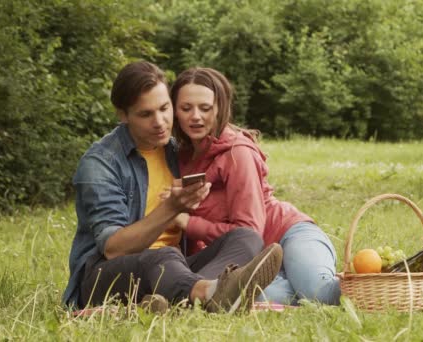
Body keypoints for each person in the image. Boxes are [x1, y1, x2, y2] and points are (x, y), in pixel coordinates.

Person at [62, 61, 283, 313]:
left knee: (246, 237)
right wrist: (172, 207)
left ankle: (194, 298)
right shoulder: (101, 163)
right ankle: (206, 294)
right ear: (123, 115)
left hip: (174, 269)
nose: (160, 122)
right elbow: (114, 249)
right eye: (146, 114)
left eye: (165, 108)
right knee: (163, 255)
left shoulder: (176, 150)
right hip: (105, 277)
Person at [170, 67, 341, 306]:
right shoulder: (181, 157)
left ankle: (381, 284)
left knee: (318, 294)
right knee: (223, 297)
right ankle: (289, 280)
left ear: (220, 108)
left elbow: (249, 232)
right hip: (250, 262)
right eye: (186, 108)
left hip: (286, 235)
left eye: (205, 108)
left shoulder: (237, 154)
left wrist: (189, 223)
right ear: (175, 111)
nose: (195, 116)